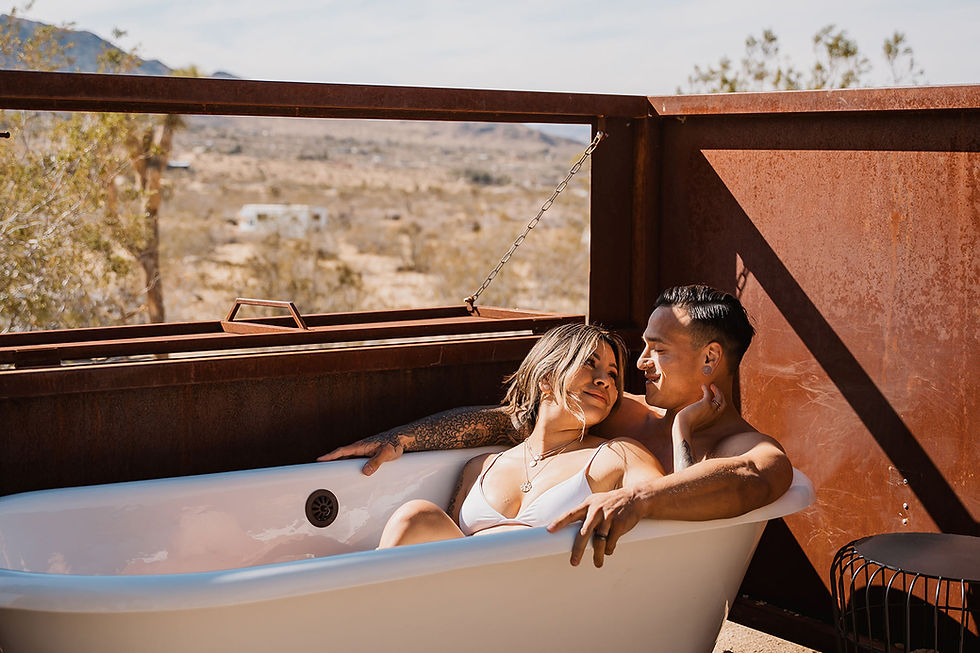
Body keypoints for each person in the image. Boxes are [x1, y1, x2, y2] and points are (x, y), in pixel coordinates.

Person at [319, 284, 793, 567]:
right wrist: (403, 438)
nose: (640, 363)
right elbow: (514, 421)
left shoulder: (748, 446)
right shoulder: (622, 412)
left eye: (658, 349)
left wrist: (646, 484)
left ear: (711, 357)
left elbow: (755, 479)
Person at [376, 323, 664, 554]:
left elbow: (668, 506)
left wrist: (683, 429)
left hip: (548, 597)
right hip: (466, 597)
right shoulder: (481, 467)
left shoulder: (620, 454)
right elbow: (442, 553)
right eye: (590, 364)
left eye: (613, 375)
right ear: (546, 378)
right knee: (417, 517)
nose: (605, 380)